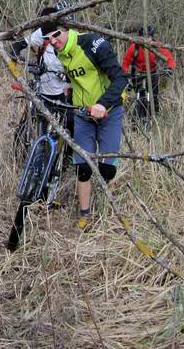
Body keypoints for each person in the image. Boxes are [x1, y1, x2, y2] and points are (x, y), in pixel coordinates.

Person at [41, 13, 127, 230]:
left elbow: (120, 78)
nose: (53, 42)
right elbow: (80, 74)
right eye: (48, 39)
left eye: (55, 35)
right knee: (82, 168)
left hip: (109, 111)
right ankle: (85, 215)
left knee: (107, 169)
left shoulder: (93, 44)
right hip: (82, 114)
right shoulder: (60, 51)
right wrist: (71, 84)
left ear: (67, 28)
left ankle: (108, 206)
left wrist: (102, 104)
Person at [121, 25, 175, 119]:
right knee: (139, 95)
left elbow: (169, 57)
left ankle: (155, 116)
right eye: (143, 37)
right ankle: (138, 116)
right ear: (140, 37)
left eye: (148, 37)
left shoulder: (157, 45)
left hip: (152, 71)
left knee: (154, 96)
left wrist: (170, 68)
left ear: (152, 37)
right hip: (137, 72)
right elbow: (126, 62)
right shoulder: (134, 46)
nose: (146, 40)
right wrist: (125, 76)